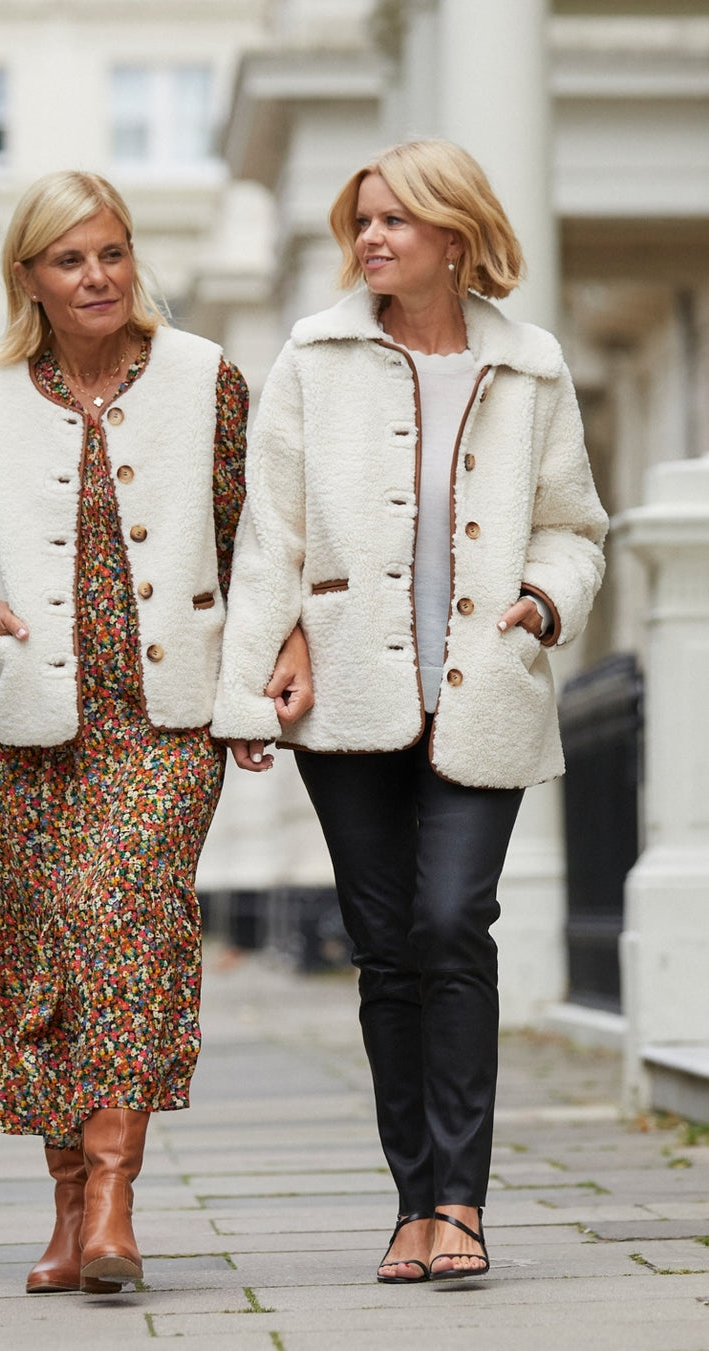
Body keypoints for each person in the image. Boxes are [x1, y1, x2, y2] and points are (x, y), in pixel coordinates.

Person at [211, 139, 608, 1284]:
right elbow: (272, 533)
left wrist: (543, 599)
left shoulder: (530, 366)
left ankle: (462, 1198)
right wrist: (254, 680)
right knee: (386, 952)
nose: (372, 237)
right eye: (364, 220)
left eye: (395, 219)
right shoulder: (314, 354)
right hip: (347, 695)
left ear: (455, 234)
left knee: (451, 923)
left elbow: (574, 524)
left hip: (484, 690)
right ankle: (412, 1205)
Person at [0, 170, 308, 1296]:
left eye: (112, 251)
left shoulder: (204, 376)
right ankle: (67, 1212)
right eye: (70, 259)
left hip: (161, 718)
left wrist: (263, 673)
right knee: (42, 949)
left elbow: (255, 542)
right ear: (30, 278)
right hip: (35, 725)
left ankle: (113, 1194)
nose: (98, 276)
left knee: (119, 921)